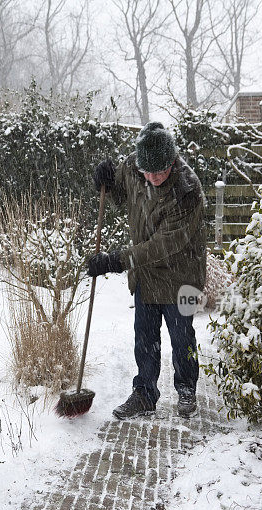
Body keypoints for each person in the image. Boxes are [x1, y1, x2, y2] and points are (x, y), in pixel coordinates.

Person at [89, 121, 206, 419]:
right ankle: (144, 393)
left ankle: (187, 387)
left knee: (183, 338)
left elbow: (164, 245)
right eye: (147, 172)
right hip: (147, 274)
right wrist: (105, 180)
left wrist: (116, 260)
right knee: (144, 337)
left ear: (172, 161)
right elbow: (120, 195)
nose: (153, 178)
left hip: (184, 275)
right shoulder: (133, 167)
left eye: (160, 171)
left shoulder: (187, 189)